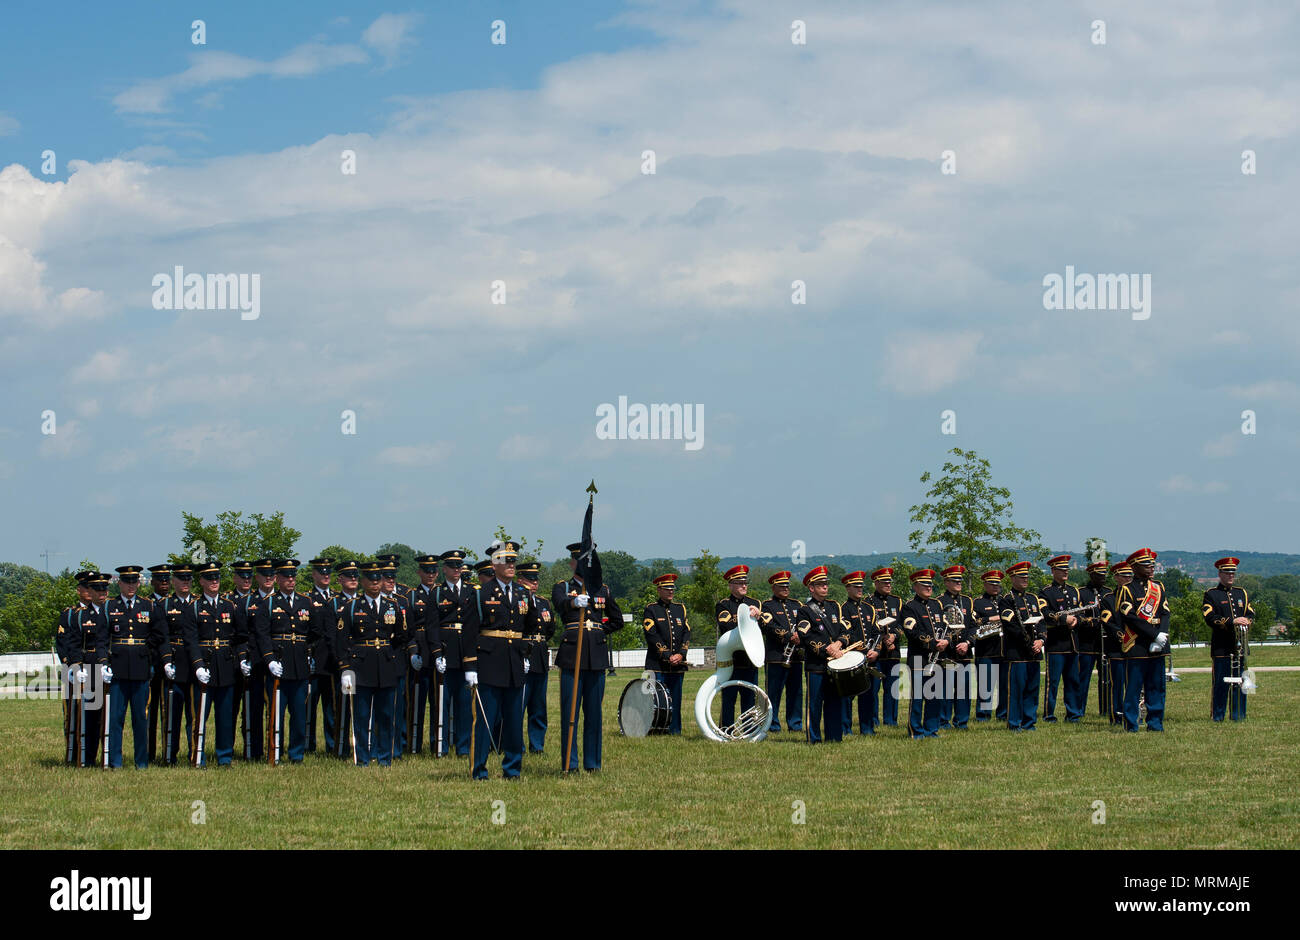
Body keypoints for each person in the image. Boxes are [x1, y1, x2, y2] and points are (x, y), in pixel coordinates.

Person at [333, 562, 416, 765]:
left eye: (378, 579)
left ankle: (384, 757)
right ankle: (362, 757)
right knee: (361, 715)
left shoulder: (393, 605)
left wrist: (393, 658)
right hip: (361, 666)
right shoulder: (352, 607)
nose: (375, 583)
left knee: (386, 715)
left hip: (386, 665)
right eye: (371, 579)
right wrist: (345, 668)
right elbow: (341, 640)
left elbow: (402, 636)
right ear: (363, 581)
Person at [470, 541, 540, 779]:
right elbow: (470, 632)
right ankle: (478, 769)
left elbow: (531, 626)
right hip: (489, 663)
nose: (510, 565)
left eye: (513, 561)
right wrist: (470, 666)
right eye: (505, 561)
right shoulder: (481, 594)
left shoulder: (522, 593)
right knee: (485, 721)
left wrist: (527, 653)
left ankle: (512, 768)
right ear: (494, 564)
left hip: (514, 663)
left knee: (513, 721)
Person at [553, 541, 623, 772]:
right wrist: (574, 601)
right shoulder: (563, 587)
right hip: (573, 654)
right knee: (569, 712)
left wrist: (601, 631)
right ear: (574, 563)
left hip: (596, 655)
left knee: (594, 713)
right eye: (581, 561)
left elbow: (617, 620)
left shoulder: (602, 589)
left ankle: (592, 763)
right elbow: (560, 604)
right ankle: (570, 763)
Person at [252, 559, 317, 762]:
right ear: (278, 578)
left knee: (299, 714)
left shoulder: (305, 602)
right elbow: (261, 635)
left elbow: (314, 633)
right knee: (276, 713)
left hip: (299, 665)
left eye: (293, 576)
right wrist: (269, 659)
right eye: (286, 577)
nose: (290, 580)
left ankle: (296, 754)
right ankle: (275, 750)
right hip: (278, 665)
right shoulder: (269, 603)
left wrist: (310, 654)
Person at [182, 562, 246, 767]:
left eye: (217, 578)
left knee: (225, 715)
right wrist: (198, 665)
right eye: (209, 578)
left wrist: (240, 657)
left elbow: (241, 635)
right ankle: (197, 755)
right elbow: (190, 640)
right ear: (201, 581)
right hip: (204, 666)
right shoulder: (193, 607)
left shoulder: (230, 606)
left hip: (225, 666)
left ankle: (224, 756)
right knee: (198, 715)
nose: (214, 582)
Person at [105, 565, 158, 769]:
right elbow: (103, 637)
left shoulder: (149, 606)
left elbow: (157, 636)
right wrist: (104, 663)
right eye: (126, 582)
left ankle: (141, 761)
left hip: (140, 669)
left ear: (138, 583)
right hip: (117, 669)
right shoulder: (111, 607)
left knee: (140, 719)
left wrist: (149, 659)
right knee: (116, 718)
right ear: (119, 583)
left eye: (134, 582)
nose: (131, 586)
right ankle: (115, 761)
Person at [427, 550, 477, 757]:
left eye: (459, 566)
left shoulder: (472, 592)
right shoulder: (437, 594)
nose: (457, 570)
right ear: (444, 569)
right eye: (452, 566)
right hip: (446, 654)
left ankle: (464, 747)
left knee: (465, 706)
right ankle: (440, 746)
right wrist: (437, 653)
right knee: (441, 704)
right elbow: (431, 626)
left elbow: (475, 625)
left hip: (465, 653)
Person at [1114, 548, 1169, 732]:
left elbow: (1165, 613)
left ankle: (1155, 723)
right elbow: (1129, 617)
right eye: (1146, 564)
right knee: (1133, 688)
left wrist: (1161, 636)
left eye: (1151, 564)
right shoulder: (1126, 590)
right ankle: (1131, 724)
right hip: (1137, 645)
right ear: (1135, 567)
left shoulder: (1158, 587)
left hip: (1157, 645)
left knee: (1156, 688)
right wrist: (1154, 635)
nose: (1150, 567)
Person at [797, 566, 845, 743]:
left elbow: (845, 629)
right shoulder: (805, 610)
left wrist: (839, 643)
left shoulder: (834, 607)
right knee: (815, 704)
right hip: (816, 665)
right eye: (820, 584)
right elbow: (805, 635)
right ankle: (814, 738)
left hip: (835, 664)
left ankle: (834, 737)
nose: (825, 587)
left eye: (826, 584)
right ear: (812, 588)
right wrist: (826, 648)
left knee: (834, 702)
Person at [1204, 556, 1256, 722]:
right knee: (1221, 683)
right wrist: (1231, 621)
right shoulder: (1212, 594)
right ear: (1220, 574)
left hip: (1240, 646)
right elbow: (1209, 617)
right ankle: (1218, 716)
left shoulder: (1241, 593)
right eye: (1227, 572)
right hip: (1221, 646)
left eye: (1233, 572)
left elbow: (1250, 612)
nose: (1231, 575)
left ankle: (1239, 715)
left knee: (1242, 681)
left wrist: (1248, 620)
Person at [642, 572, 690, 735]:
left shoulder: (680, 609)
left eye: (672, 588)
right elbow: (651, 634)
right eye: (667, 588)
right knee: (654, 699)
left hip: (677, 664)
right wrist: (667, 654)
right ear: (659, 590)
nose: (671, 591)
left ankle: (675, 730)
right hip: (657, 664)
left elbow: (686, 632)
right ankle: (653, 728)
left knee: (675, 699)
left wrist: (681, 654)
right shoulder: (651, 609)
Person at [998, 561, 1043, 732]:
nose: (1025, 579)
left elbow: (1041, 622)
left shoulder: (1032, 598)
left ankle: (1029, 722)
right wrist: (1030, 643)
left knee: (1032, 689)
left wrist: (1041, 641)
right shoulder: (1007, 600)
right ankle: (1015, 722)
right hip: (1017, 652)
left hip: (1034, 651)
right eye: (1021, 576)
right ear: (1012, 578)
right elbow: (1012, 627)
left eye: (1026, 576)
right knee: (1015, 691)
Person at [715, 565, 760, 731]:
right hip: (731, 659)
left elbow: (762, 629)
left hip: (749, 659)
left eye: (745, 582)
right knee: (729, 697)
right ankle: (727, 728)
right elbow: (725, 626)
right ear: (731, 585)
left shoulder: (755, 604)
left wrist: (759, 616)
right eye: (739, 582)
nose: (744, 585)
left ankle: (749, 729)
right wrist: (745, 619)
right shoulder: (724, 605)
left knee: (749, 697)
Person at [160, 564, 198, 763]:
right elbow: (162, 637)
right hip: (174, 664)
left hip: (194, 665)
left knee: (194, 715)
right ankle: (169, 755)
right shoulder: (165, 605)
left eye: (188, 579)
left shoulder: (198, 604)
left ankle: (195, 754)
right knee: (172, 715)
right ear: (173, 581)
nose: (185, 582)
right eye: (181, 579)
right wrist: (166, 661)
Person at [516, 561, 556, 751]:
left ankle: (537, 744)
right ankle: (517, 744)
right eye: (530, 579)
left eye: (536, 579)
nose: (534, 582)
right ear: (520, 579)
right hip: (523, 653)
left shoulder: (543, 602)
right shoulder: (517, 600)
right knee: (520, 703)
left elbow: (550, 629)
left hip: (540, 655)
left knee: (538, 705)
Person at [901, 569, 945, 739]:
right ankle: (915, 730)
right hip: (919, 658)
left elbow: (944, 626)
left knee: (934, 697)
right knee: (918, 697)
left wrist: (946, 640)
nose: (929, 587)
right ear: (915, 586)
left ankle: (931, 729)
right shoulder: (909, 607)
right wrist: (934, 643)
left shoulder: (936, 605)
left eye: (930, 584)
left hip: (937, 658)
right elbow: (912, 632)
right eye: (924, 584)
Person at [759, 571, 802, 732]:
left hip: (796, 656)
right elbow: (767, 627)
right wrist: (789, 635)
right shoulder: (767, 606)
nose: (785, 588)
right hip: (776, 656)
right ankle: (773, 724)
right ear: (773, 587)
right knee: (774, 693)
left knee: (796, 693)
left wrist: (800, 635)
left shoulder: (796, 604)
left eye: (787, 585)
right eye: (781, 586)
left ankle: (795, 724)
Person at [1039, 554, 1081, 722]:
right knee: (1053, 683)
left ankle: (1073, 714)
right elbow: (1045, 613)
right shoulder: (1046, 592)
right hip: (1056, 644)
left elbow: (1080, 611)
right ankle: (1049, 714)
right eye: (1061, 569)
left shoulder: (1073, 591)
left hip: (1072, 644)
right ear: (1053, 571)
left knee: (1073, 681)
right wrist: (1064, 619)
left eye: (1067, 569)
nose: (1065, 572)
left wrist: (1076, 620)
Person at [838, 571, 879, 735]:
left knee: (868, 695)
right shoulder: (843, 609)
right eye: (856, 586)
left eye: (861, 586)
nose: (860, 589)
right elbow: (846, 632)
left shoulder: (869, 609)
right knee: (848, 695)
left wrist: (876, 650)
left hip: (870, 657)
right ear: (848, 588)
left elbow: (876, 632)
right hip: (852, 658)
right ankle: (845, 728)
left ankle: (867, 727)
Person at [936, 565, 975, 730]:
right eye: (955, 580)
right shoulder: (938, 601)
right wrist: (952, 644)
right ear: (946, 582)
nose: (959, 583)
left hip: (964, 652)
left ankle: (962, 721)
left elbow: (973, 626)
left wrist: (967, 643)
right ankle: (943, 721)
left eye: (960, 580)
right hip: (948, 653)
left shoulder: (967, 601)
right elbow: (938, 627)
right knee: (944, 689)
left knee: (963, 690)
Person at [304, 557, 335, 754]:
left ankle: (332, 745)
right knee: (309, 707)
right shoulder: (306, 599)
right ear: (314, 575)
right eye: (321, 572)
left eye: (327, 572)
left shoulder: (337, 598)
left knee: (332, 707)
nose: (325, 575)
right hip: (313, 660)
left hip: (331, 662)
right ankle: (308, 745)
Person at [867, 568, 902, 729]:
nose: (888, 585)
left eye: (889, 582)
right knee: (873, 689)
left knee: (892, 689)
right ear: (876, 583)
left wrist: (895, 635)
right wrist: (882, 638)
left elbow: (903, 624)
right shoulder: (869, 602)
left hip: (893, 651)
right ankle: (873, 719)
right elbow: (868, 627)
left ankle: (891, 720)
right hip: (877, 653)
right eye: (884, 582)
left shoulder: (897, 601)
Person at [144, 563, 171, 762]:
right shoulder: (147, 605)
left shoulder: (177, 603)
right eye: (160, 579)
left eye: (166, 579)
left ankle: (168, 753)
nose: (164, 583)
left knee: (168, 710)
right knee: (149, 711)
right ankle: (149, 753)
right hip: (150, 663)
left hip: (171, 664)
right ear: (152, 582)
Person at [1098, 562, 1131, 725]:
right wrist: (1122, 636)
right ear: (1116, 577)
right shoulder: (1108, 599)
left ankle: (1133, 713)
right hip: (1117, 648)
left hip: (1135, 649)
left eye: (1130, 576)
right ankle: (1116, 716)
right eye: (1124, 576)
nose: (1128, 579)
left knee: (1133, 685)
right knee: (1117, 685)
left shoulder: (1135, 596)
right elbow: (1107, 621)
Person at [971, 570, 1006, 722]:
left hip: (1004, 649)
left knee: (1005, 685)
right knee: (985, 686)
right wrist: (993, 618)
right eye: (992, 584)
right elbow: (974, 622)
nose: (995, 587)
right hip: (985, 650)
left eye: (997, 584)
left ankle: (1003, 714)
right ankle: (983, 715)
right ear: (985, 584)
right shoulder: (978, 602)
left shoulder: (1004, 601)